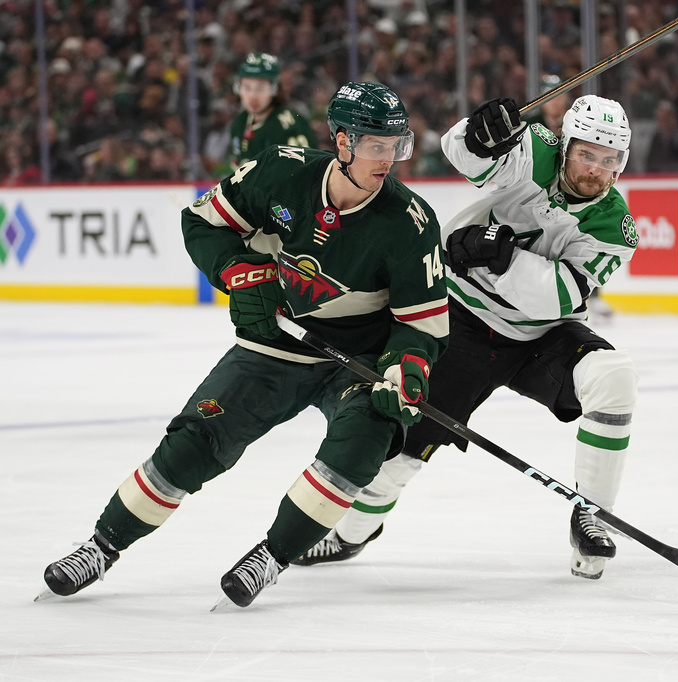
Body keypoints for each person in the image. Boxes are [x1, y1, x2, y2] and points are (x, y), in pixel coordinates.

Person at [39, 82, 450, 608]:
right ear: (342, 142)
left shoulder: (409, 222)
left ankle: (273, 556)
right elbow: (202, 222)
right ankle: (101, 545)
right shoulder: (281, 171)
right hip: (274, 345)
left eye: (396, 145)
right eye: (375, 144)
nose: (388, 158)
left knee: (363, 443)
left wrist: (407, 367)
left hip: (358, 360)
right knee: (195, 441)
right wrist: (237, 272)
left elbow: (423, 324)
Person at [296, 94, 639, 580]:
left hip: (538, 336)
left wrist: (499, 256)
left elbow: (557, 298)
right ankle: (350, 536)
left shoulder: (615, 227)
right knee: (399, 456)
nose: (596, 170)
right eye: (587, 154)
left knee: (614, 376)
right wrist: (478, 134)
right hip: (458, 323)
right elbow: (467, 156)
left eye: (609, 161)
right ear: (566, 147)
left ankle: (594, 516)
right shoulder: (536, 149)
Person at [229, 52, 318, 168]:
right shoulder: (240, 122)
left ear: (274, 89)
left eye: (260, 88)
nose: (253, 96)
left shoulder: (289, 125)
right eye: (247, 87)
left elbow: (307, 169)